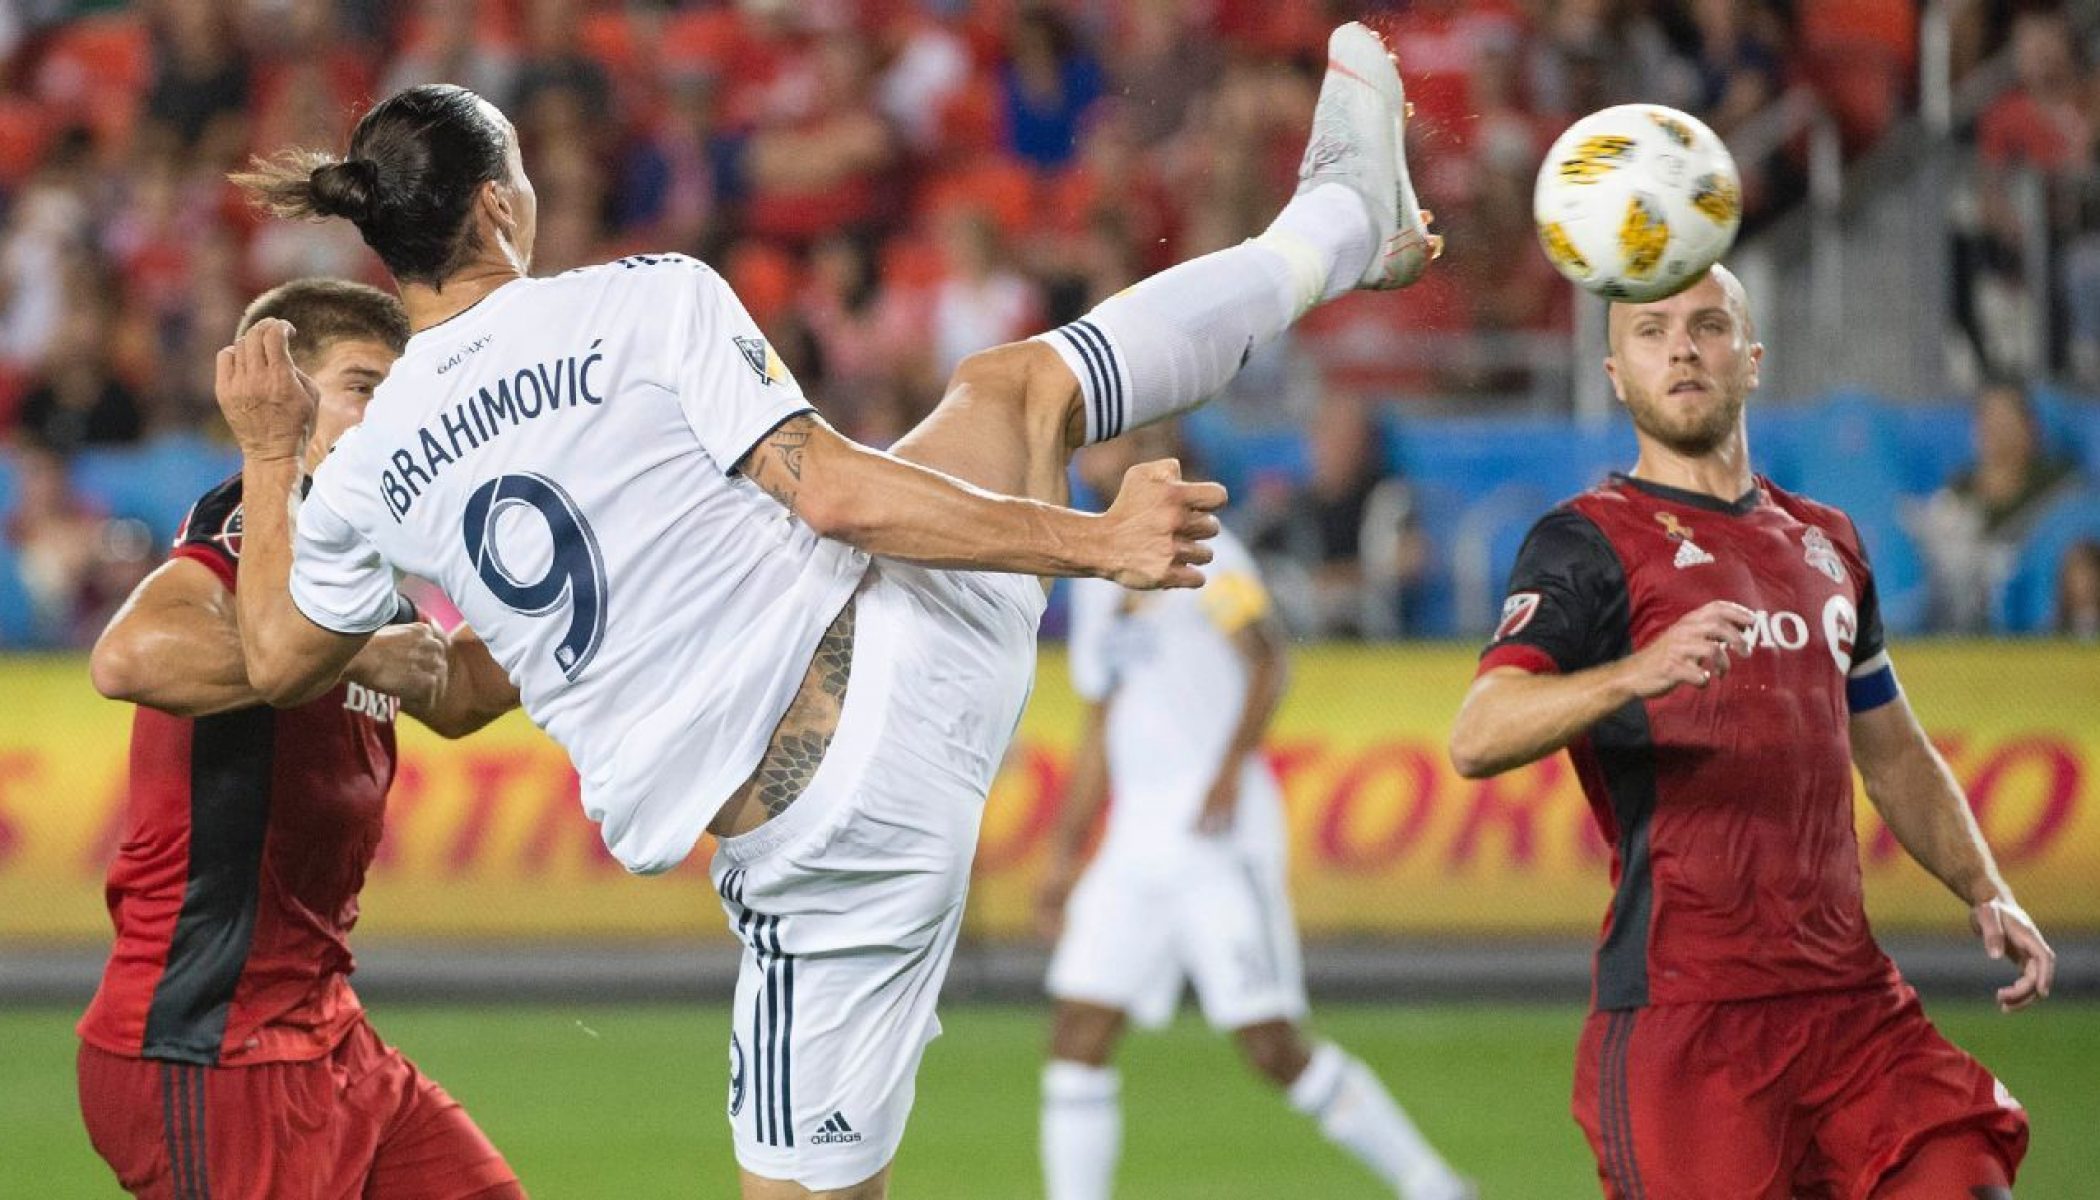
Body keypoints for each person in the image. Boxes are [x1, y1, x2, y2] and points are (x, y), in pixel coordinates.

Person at [211, 22, 1436, 1198]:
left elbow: (276, 658)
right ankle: (1334, 222)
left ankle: (1343, 217)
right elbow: (835, 494)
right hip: (887, 702)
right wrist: (1091, 541)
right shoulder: (641, 297)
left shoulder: (371, 466)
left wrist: (272, 453)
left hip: (816, 856)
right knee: (1020, 389)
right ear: (497, 206)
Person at [1448, 265, 2053, 1200]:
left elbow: (1889, 745)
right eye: (1650, 333)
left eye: (1707, 326)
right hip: (1691, 1022)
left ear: (1753, 358)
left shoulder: (1827, 542)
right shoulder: (1587, 542)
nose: (1682, 348)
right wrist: (1633, 673)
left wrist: (1985, 885)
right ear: (1616, 374)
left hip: (1852, 1011)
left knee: (1967, 1181)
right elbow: (1477, 734)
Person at [77, 279, 526, 1200]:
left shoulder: (347, 560)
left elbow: (452, 685)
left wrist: (612, 607)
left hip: (325, 1037)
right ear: (286, 395)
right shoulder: (247, 532)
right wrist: (360, 656)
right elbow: (127, 658)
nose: (390, 415)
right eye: (364, 385)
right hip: (206, 1048)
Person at [1037, 427, 1472, 1200]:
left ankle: (1433, 1184)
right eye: (1089, 451)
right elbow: (1103, 720)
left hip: (1215, 844)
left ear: (1145, 457)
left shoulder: (1207, 552)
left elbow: (1269, 656)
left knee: (1271, 1046)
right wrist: (1067, 851)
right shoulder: (1098, 576)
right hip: (1136, 844)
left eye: (1105, 449)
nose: (1088, 462)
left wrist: (1227, 773)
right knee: (1077, 1031)